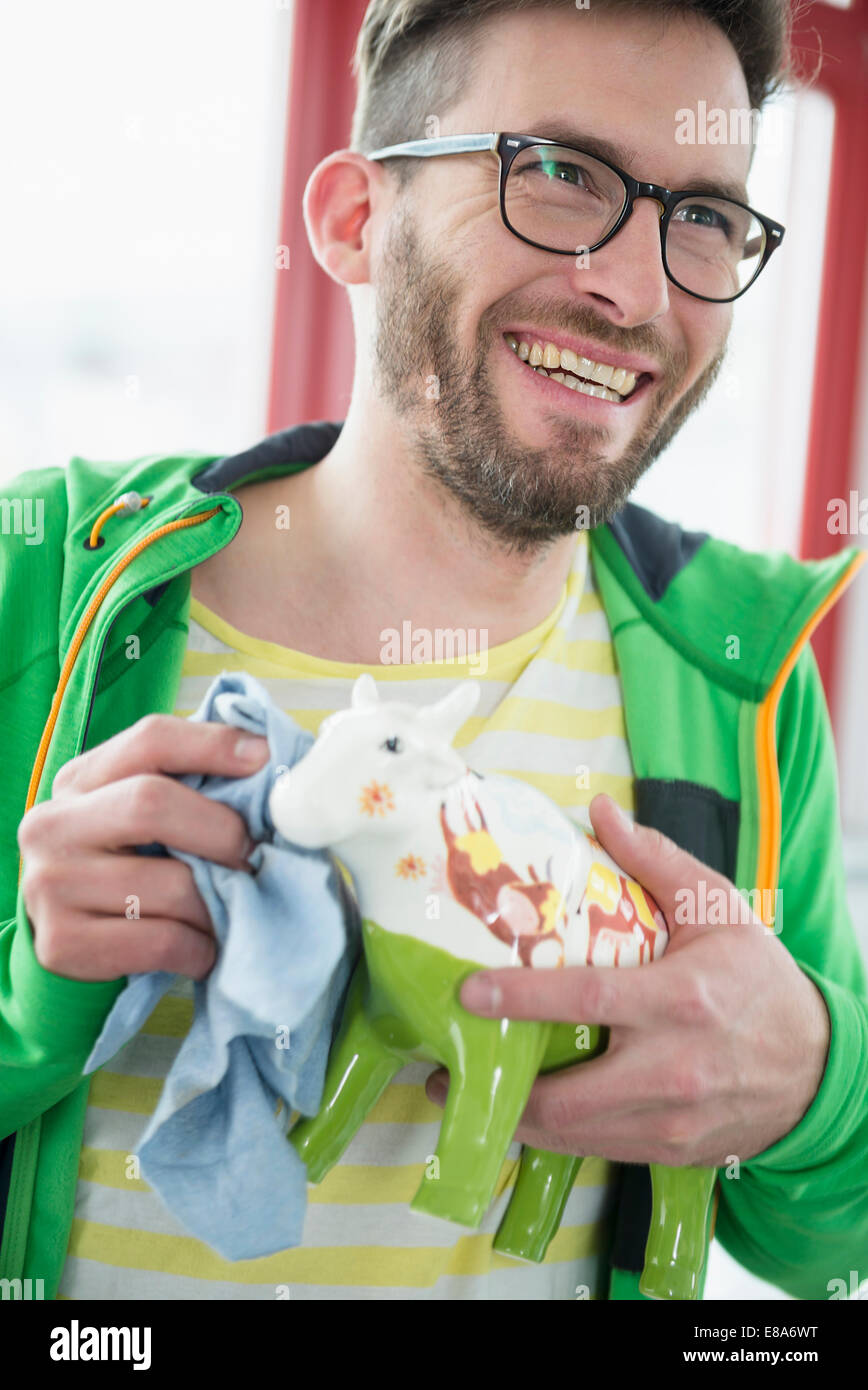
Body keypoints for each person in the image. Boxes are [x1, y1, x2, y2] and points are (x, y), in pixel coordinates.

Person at [2, 0, 866, 1302]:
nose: (634, 291)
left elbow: (821, 1243)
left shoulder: (743, 682)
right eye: (562, 175)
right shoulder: (40, 584)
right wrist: (30, 992)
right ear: (355, 219)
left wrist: (812, 1079)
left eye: (703, 217)